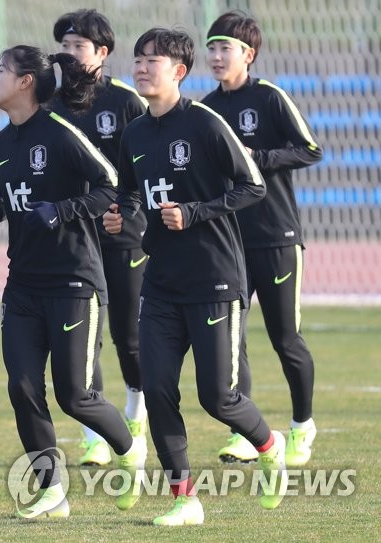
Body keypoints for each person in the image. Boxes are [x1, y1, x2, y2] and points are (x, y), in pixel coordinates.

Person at [103, 27, 286, 526]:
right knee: (158, 391)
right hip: (161, 283)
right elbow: (128, 193)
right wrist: (120, 215)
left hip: (215, 280)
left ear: (179, 71)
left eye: (153, 60)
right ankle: (186, 500)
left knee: (217, 397)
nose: (141, 67)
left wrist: (195, 211)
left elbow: (252, 185)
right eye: (138, 59)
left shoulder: (205, 123)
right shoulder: (134, 134)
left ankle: (270, 446)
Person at [0, 45, 146, 519]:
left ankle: (130, 450)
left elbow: (111, 183)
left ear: (26, 81)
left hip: (74, 284)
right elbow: (26, 199)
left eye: (1, 70)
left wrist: (65, 210)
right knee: (23, 388)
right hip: (22, 286)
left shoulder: (62, 133)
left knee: (75, 397)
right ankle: (51, 490)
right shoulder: (1, 143)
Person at [202, 10, 323, 467]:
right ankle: (244, 431)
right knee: (231, 338)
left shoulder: (270, 97)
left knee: (285, 338)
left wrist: (258, 157)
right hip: (230, 241)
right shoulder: (206, 108)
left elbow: (310, 149)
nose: (216, 56)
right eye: (211, 48)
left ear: (248, 55)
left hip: (276, 237)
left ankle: (302, 425)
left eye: (225, 48)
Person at [48, 9, 149, 467]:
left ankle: (136, 413)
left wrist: (127, 213)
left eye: (79, 47)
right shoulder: (50, 105)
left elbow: (148, 166)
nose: (69, 54)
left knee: (129, 336)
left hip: (122, 235)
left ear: (102, 53)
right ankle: (94, 436)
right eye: (64, 47)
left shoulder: (126, 102)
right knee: (84, 339)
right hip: (74, 240)